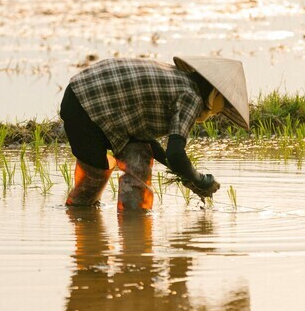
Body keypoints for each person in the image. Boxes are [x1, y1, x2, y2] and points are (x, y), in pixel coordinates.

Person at [59, 55, 250, 211]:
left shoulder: (178, 80)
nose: (216, 113)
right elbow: (175, 153)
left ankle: (133, 226)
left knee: (139, 153)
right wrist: (200, 179)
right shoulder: (191, 97)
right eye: (221, 107)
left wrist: (186, 175)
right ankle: (82, 222)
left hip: (84, 98)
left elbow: (152, 144)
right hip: (86, 105)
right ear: (215, 95)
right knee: (93, 179)